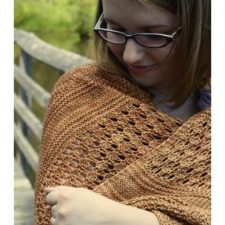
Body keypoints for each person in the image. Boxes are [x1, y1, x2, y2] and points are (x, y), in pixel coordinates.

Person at [35, 0, 211, 224]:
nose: (130, 55)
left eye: (154, 35)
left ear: (201, 27)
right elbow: (51, 211)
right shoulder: (80, 94)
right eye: (115, 29)